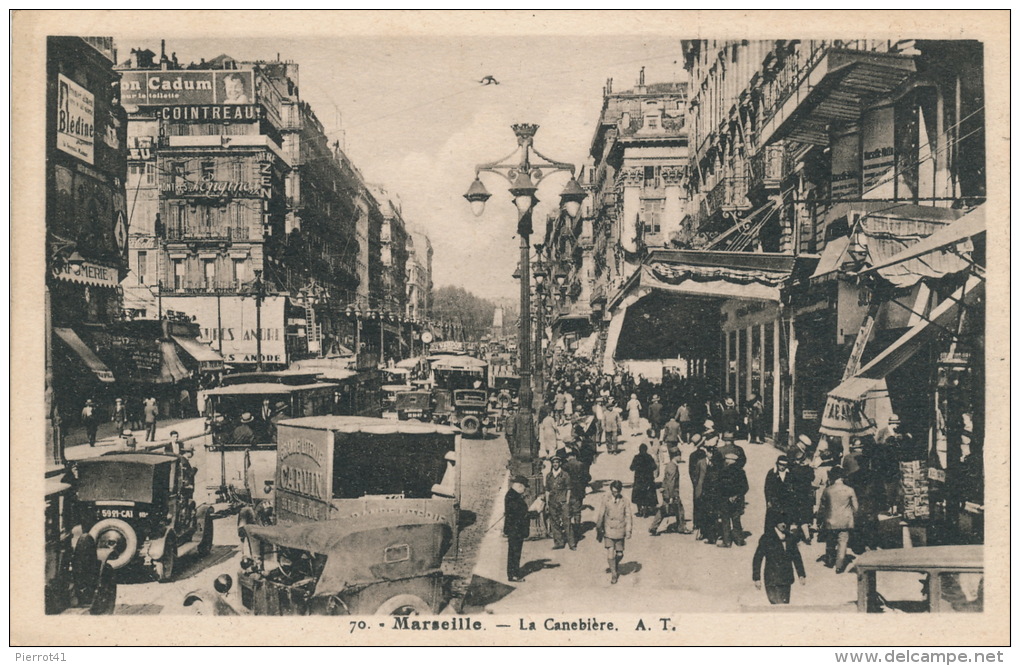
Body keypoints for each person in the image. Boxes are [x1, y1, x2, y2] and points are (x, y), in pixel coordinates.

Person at [752, 521, 806, 605]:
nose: (783, 524)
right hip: (772, 579)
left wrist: (801, 574)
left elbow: (797, 557)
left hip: (786, 579)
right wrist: (756, 578)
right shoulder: (766, 538)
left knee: (784, 606)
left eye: (785, 522)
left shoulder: (790, 537)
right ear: (775, 523)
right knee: (775, 605)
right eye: (780, 522)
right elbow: (757, 558)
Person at [818, 466, 859, 573]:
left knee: (830, 541)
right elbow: (856, 507)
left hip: (830, 520)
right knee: (843, 542)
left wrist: (819, 519)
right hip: (845, 521)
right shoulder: (850, 490)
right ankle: (839, 566)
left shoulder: (827, 490)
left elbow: (822, 507)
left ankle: (830, 561)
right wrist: (851, 515)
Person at [595, 480, 633, 584]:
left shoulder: (625, 501)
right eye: (613, 491)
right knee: (610, 552)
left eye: (616, 492)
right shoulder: (606, 500)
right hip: (609, 529)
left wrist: (628, 530)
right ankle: (614, 574)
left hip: (620, 530)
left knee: (620, 554)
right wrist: (599, 528)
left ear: (620, 491)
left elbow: (628, 516)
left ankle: (614, 564)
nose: (614, 494)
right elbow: (601, 514)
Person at [650, 449, 690, 536]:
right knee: (679, 509)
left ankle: (653, 527)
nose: (680, 457)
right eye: (679, 455)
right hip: (672, 493)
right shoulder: (673, 467)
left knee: (664, 510)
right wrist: (671, 496)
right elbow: (671, 482)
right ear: (676, 456)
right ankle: (682, 527)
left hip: (667, 492)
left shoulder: (669, 465)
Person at [717, 451, 749, 547]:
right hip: (737, 500)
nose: (725, 461)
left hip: (725, 500)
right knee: (736, 519)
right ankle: (739, 540)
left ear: (730, 461)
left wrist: (726, 497)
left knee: (725, 520)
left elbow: (720, 486)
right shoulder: (741, 472)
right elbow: (745, 487)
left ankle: (727, 542)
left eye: (726, 459)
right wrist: (736, 496)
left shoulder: (723, 471)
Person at [503, 475, 531, 582]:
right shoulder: (512, 496)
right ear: (519, 486)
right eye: (524, 487)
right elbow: (518, 513)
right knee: (514, 552)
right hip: (515, 529)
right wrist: (531, 513)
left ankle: (514, 573)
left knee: (515, 552)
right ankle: (513, 575)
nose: (525, 490)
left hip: (515, 529)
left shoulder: (513, 495)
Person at [544, 455, 573, 550]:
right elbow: (547, 490)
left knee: (567, 522)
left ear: (560, 463)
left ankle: (571, 543)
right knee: (554, 522)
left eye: (557, 462)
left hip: (563, 501)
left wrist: (567, 502)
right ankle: (559, 543)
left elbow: (569, 489)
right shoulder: (549, 476)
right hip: (552, 502)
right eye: (553, 462)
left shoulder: (565, 475)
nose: (555, 464)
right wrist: (547, 503)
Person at [563, 450, 588, 547]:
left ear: (569, 456)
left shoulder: (565, 466)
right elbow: (587, 477)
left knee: (567, 511)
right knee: (577, 511)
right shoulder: (581, 464)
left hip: (568, 491)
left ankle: (569, 531)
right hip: (579, 491)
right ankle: (577, 528)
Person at [764, 455, 795, 530]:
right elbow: (767, 488)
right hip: (774, 502)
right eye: (780, 464)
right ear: (777, 464)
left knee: (786, 522)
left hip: (786, 503)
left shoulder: (790, 474)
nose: (782, 467)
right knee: (771, 523)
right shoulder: (772, 473)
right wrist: (768, 501)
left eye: (784, 465)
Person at [629, 443, 659, 517]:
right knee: (647, 494)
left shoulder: (636, 457)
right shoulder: (649, 457)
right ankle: (646, 510)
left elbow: (631, 468)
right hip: (648, 479)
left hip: (639, 479)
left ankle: (639, 510)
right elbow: (654, 467)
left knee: (638, 495)